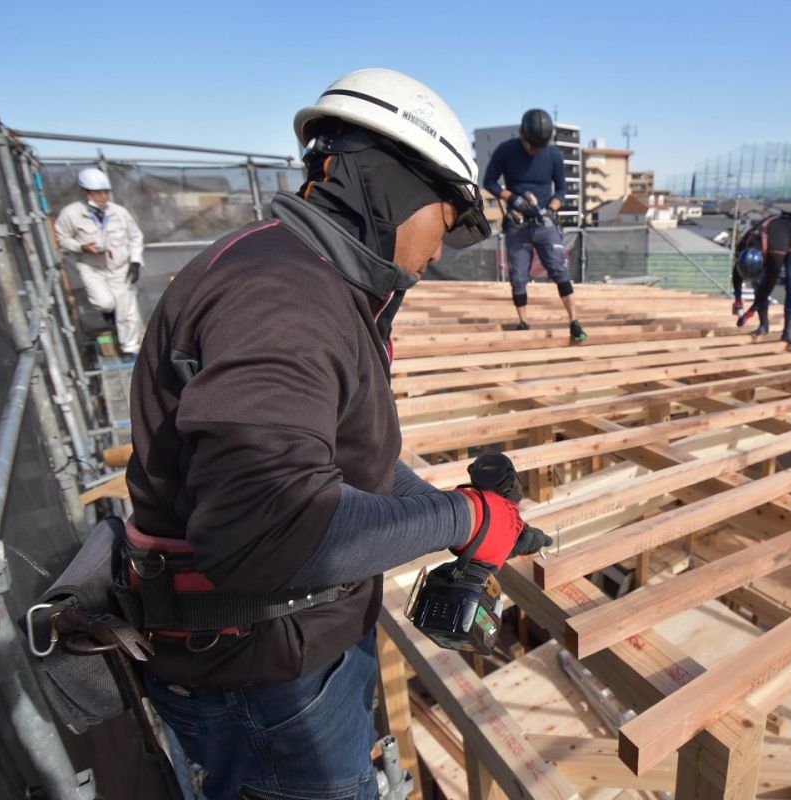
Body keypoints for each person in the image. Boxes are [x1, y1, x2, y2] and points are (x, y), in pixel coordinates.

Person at [123, 69, 549, 800]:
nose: (438, 255)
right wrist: (467, 515)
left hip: (274, 658)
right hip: (264, 683)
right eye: (445, 224)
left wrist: (457, 520)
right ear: (397, 186)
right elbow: (271, 528)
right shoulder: (286, 301)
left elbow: (349, 470)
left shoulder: (298, 273)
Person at [482, 108, 587, 341]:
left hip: (544, 223)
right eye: (531, 145)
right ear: (521, 134)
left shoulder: (554, 156)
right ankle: (523, 322)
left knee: (560, 270)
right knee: (518, 276)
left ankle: (574, 322)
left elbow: (561, 189)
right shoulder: (506, 151)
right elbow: (489, 182)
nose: (533, 151)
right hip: (517, 225)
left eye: (538, 147)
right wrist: (513, 199)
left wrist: (552, 208)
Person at [54, 167, 145, 357]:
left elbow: (135, 237)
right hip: (92, 268)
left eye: (106, 192)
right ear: (86, 192)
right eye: (98, 192)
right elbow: (61, 239)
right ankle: (109, 311)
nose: (104, 196)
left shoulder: (119, 212)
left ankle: (130, 348)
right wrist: (81, 246)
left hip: (119, 268)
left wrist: (135, 262)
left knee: (127, 312)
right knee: (105, 303)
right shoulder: (71, 214)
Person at [730, 211, 791, 345]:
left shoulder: (775, 255)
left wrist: (750, 313)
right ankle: (764, 326)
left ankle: (787, 332)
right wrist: (738, 301)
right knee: (757, 283)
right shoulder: (743, 245)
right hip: (774, 238)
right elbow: (736, 274)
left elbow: (768, 288)